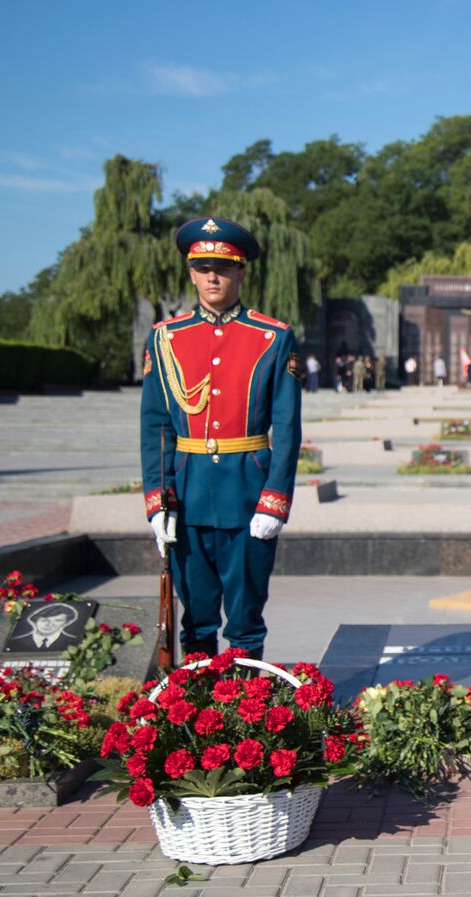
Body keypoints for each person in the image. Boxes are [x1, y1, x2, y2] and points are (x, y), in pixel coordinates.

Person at [140, 217, 303, 661]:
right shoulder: (165, 338)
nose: (213, 278)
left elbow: (287, 427)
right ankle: (197, 702)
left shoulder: (272, 337)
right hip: (187, 493)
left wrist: (275, 500)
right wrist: (157, 500)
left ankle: (245, 700)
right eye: (203, 268)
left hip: (248, 492)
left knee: (246, 620)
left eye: (223, 268)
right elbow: (156, 426)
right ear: (191, 274)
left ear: (241, 273)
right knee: (196, 619)